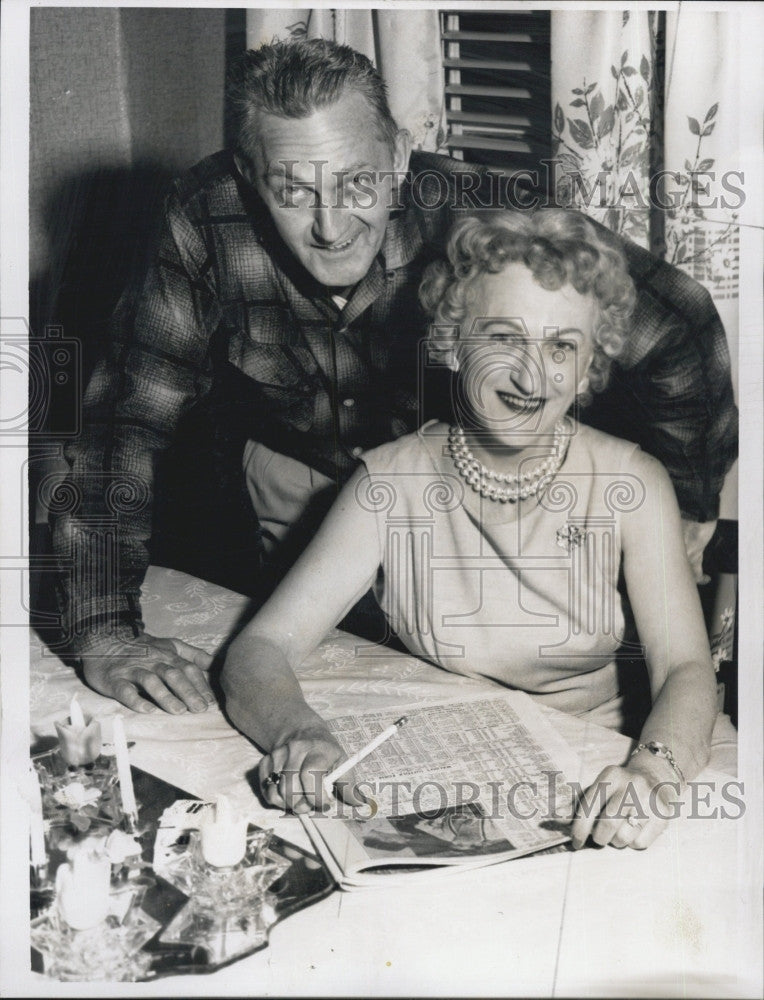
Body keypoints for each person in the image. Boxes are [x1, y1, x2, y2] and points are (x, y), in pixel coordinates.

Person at [51, 38, 736, 716]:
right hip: (304, 486)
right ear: (249, 175)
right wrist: (105, 631)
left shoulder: (476, 214)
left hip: (460, 489)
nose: (331, 226)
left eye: (358, 183)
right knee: (308, 688)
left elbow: (680, 321)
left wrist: (688, 502)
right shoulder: (203, 216)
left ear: (401, 155)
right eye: (293, 190)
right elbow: (125, 423)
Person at [221, 209, 722, 852]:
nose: (532, 376)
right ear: (453, 343)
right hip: (456, 768)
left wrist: (650, 771)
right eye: (505, 338)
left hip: (606, 765)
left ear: (590, 366)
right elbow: (260, 648)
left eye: (561, 347)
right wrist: (299, 733)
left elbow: (685, 666)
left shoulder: (633, 484)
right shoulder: (387, 485)